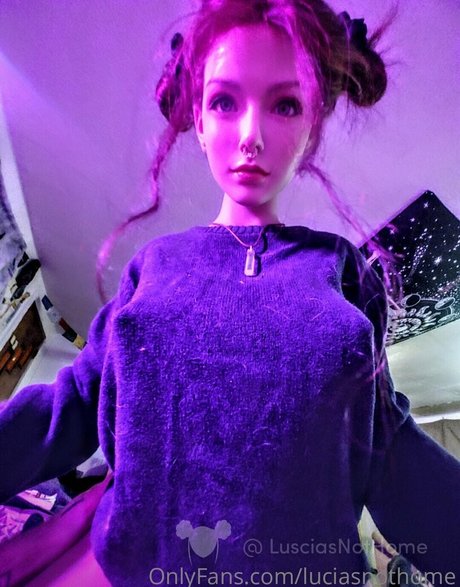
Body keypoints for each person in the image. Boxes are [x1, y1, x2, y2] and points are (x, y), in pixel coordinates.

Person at [1, 1, 460, 586]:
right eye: (224, 102)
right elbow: (71, 407)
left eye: (285, 105)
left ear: (312, 125)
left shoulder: (343, 271)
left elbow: (390, 453)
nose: (251, 136)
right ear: (198, 119)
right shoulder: (155, 267)